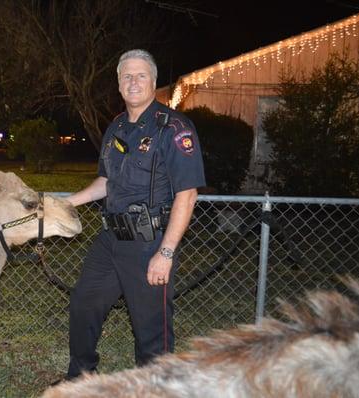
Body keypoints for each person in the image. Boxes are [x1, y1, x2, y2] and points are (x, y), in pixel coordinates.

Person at [64, 49, 205, 379]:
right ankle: (81, 379)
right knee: (84, 305)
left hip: (149, 244)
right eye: (126, 75)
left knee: (151, 332)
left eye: (141, 75)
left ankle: (154, 388)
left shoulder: (173, 128)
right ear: (118, 83)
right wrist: (67, 203)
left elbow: (188, 195)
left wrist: (166, 253)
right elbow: (106, 182)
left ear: (154, 82)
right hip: (110, 240)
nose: (133, 81)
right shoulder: (115, 129)